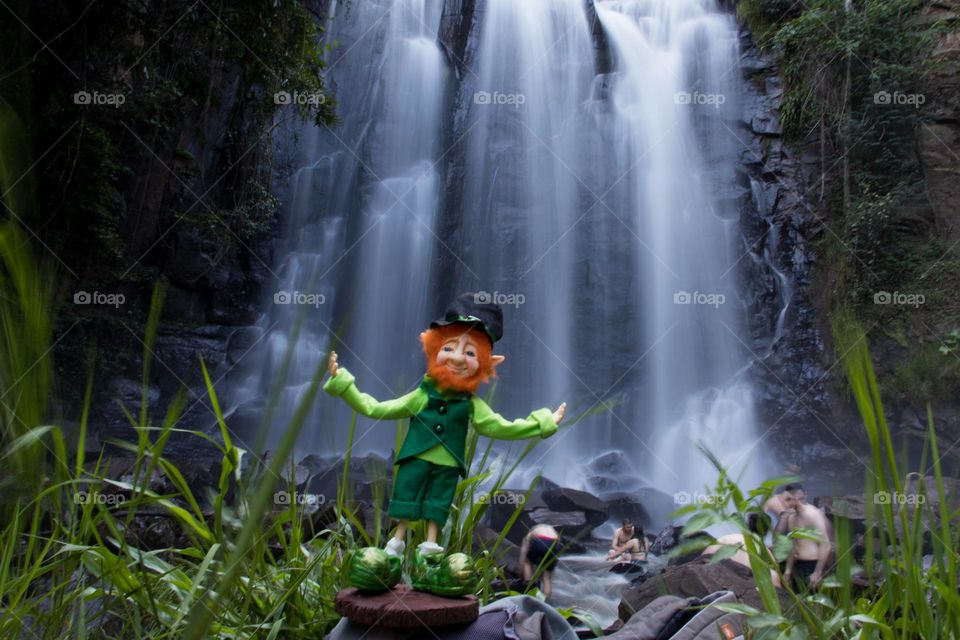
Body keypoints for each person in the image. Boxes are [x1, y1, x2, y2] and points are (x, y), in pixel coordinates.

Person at [324, 293, 567, 562]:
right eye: (449, 348)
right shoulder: (422, 396)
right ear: (432, 348)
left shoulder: (471, 404)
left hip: (448, 464)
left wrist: (542, 423)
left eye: (470, 352)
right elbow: (377, 408)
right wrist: (342, 383)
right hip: (415, 458)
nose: (458, 358)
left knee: (438, 503)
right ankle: (396, 541)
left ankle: (430, 547)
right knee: (406, 495)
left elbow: (500, 427)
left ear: (487, 364)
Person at [701, 512, 782, 588]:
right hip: (750, 591)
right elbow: (776, 583)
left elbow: (703, 558)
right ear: (767, 530)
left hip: (719, 581)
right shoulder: (768, 555)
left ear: (747, 524)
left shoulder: (728, 538)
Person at [780, 484, 832, 590]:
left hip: (812, 565)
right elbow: (794, 545)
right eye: (786, 499)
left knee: (811, 602)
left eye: (789, 499)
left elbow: (825, 544)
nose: (787, 502)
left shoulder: (812, 514)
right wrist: (788, 570)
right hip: (798, 565)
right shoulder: (791, 517)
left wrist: (817, 572)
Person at [519, 524, 561, 599]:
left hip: (539, 539)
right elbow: (557, 548)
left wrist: (521, 572)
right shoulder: (553, 531)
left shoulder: (532, 532)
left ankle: (529, 589)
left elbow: (524, 553)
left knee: (527, 563)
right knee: (547, 577)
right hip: (553, 542)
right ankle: (545, 600)